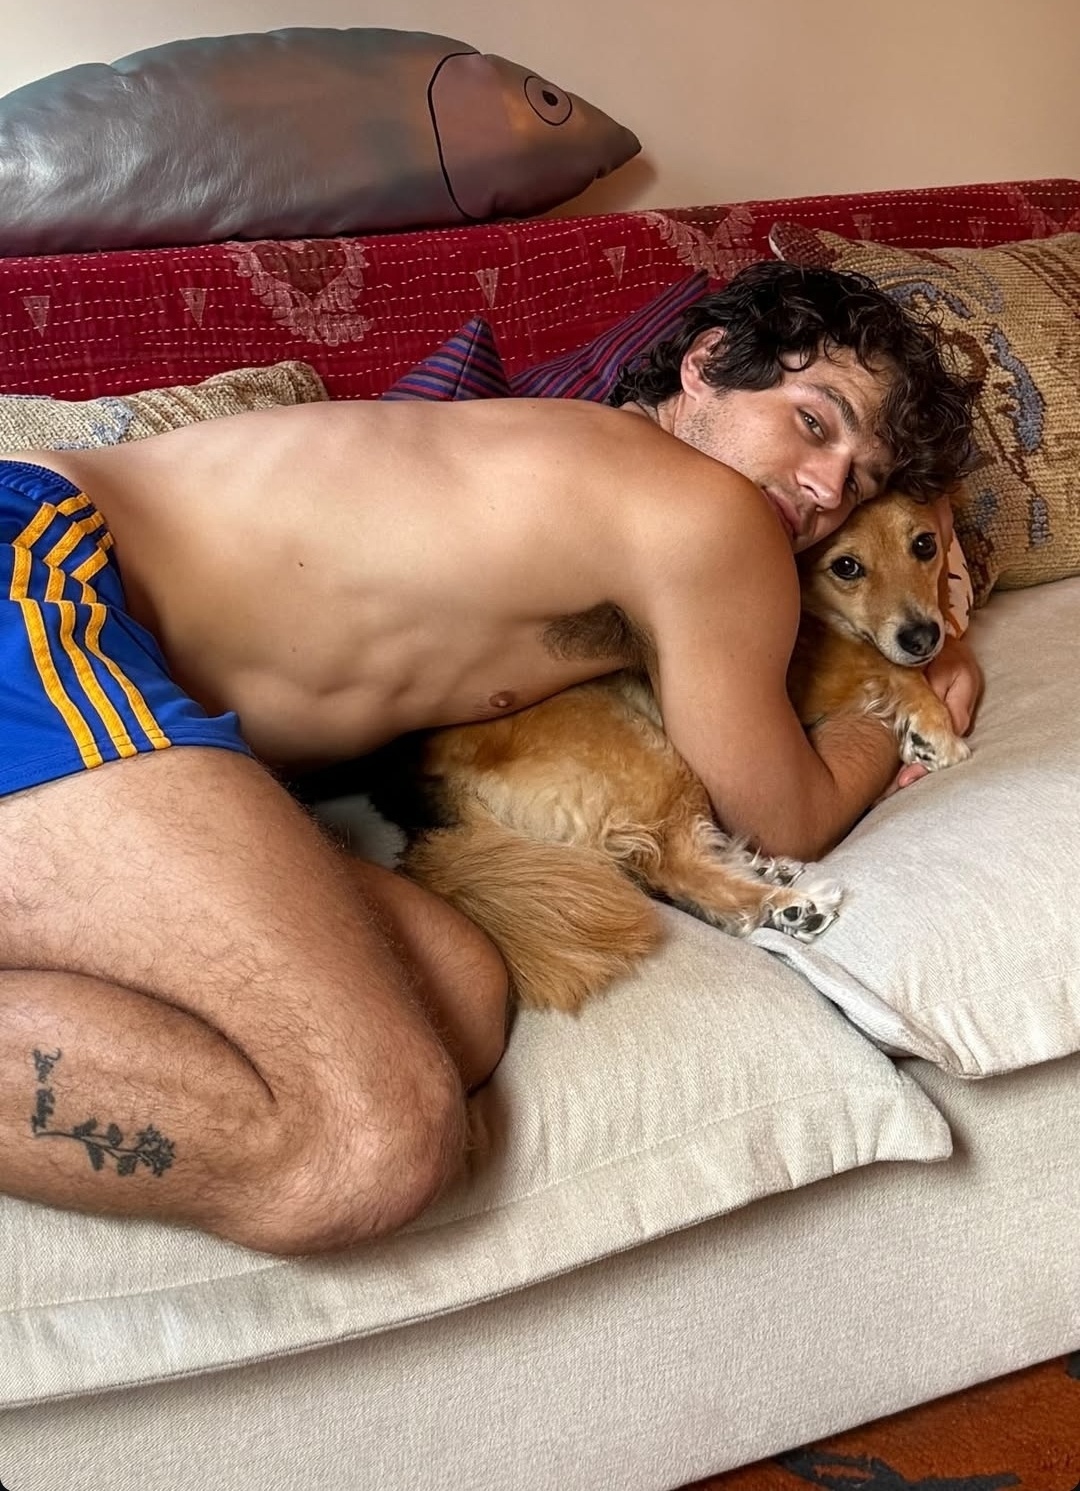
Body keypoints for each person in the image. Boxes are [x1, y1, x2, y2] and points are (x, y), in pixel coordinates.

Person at [0, 261, 978, 1255]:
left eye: (860, 478)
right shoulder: (704, 509)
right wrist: (902, 702)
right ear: (708, 363)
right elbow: (784, 818)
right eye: (813, 422)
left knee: (458, 989)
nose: (825, 486)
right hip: (35, 572)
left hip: (102, 658)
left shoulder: (569, 463)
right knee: (366, 1140)